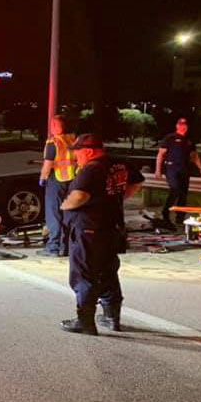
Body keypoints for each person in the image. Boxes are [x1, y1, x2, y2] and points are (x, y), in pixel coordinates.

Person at [59, 134, 144, 335]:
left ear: (88, 151)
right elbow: (137, 182)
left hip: (88, 228)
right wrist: (117, 197)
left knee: (84, 273)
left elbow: (80, 196)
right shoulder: (119, 163)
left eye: (78, 153)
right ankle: (111, 316)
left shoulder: (91, 169)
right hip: (111, 227)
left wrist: (66, 206)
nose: (76, 157)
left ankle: (85, 320)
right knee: (107, 271)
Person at [155, 117, 201, 226]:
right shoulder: (170, 138)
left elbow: (194, 156)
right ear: (177, 126)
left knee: (183, 195)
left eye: (185, 125)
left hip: (184, 169)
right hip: (171, 168)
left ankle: (180, 218)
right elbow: (160, 154)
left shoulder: (189, 140)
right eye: (181, 124)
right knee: (175, 189)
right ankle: (165, 212)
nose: (183, 126)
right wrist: (158, 170)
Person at [38, 115, 76, 257]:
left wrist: (42, 178)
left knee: (53, 214)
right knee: (68, 213)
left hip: (57, 179)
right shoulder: (72, 139)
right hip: (72, 180)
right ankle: (65, 247)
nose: (52, 128)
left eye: (54, 125)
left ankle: (53, 247)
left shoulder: (53, 142)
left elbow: (48, 164)